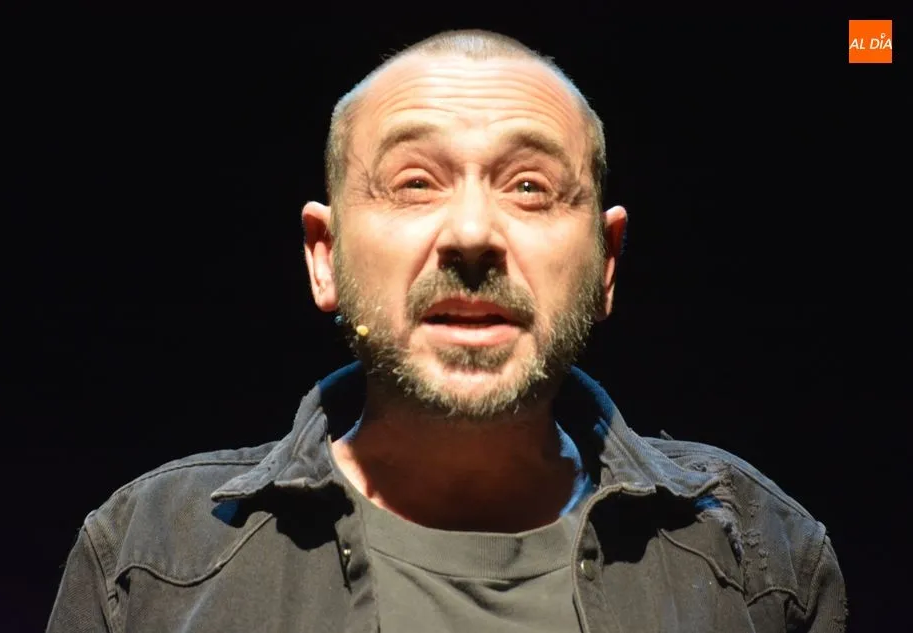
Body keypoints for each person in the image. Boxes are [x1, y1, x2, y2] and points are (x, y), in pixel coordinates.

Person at [47, 29, 847, 633]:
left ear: (607, 262)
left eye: (529, 187)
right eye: (414, 182)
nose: (470, 233)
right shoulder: (148, 560)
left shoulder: (761, 556)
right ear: (324, 257)